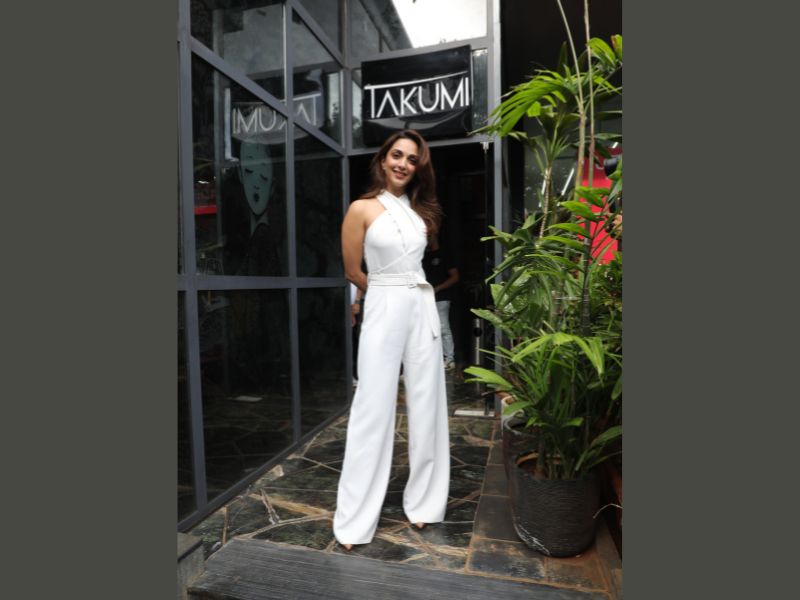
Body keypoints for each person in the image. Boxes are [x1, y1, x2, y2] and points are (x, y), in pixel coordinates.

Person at [333, 130, 451, 550]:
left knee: (428, 403)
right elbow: (352, 270)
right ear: (383, 159)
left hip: (421, 305)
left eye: (412, 159)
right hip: (384, 303)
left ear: (418, 168)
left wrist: (404, 293)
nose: (403, 163)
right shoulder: (361, 208)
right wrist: (384, 292)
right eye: (397, 155)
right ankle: (354, 520)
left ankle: (425, 503)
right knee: (372, 407)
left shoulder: (419, 214)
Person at [422, 235, 460, 371]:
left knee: (443, 327)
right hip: (424, 298)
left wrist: (437, 288)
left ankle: (449, 359)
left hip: (441, 297)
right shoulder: (422, 256)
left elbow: (455, 277)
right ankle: (432, 360)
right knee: (426, 329)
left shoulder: (444, 254)